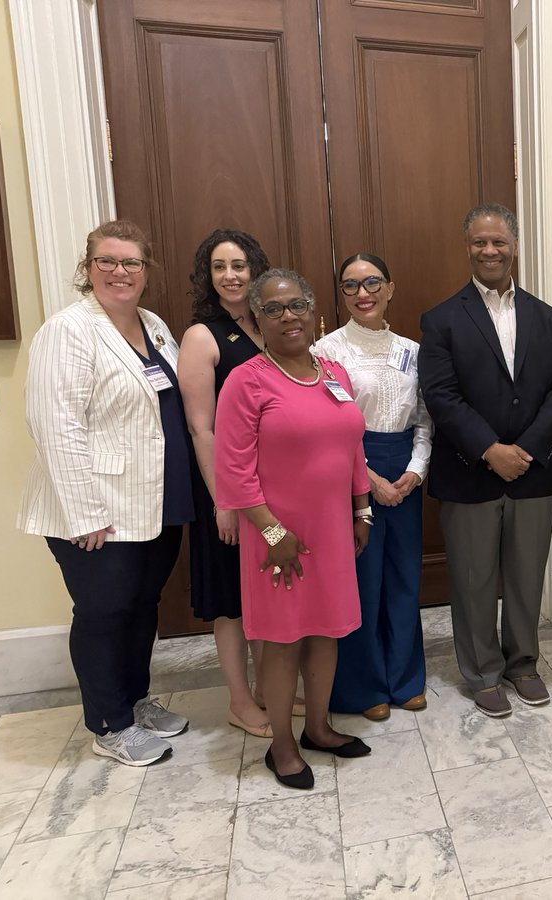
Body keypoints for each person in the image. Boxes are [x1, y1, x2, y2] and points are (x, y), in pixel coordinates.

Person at [19, 219, 193, 767]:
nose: (120, 272)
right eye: (107, 262)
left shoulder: (155, 325)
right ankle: (108, 723)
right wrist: (83, 513)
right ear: (87, 268)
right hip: (94, 510)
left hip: (154, 499)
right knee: (103, 610)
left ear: (146, 270)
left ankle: (134, 701)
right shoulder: (68, 331)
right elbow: (55, 425)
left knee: (142, 605)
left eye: (131, 263)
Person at [215, 268, 373, 789]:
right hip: (276, 537)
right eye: (274, 308)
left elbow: (353, 448)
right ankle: (281, 743)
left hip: (330, 529)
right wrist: (271, 531)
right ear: (258, 319)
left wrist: (361, 509)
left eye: (297, 304)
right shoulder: (247, 379)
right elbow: (232, 470)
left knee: (326, 631)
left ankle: (319, 728)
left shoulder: (334, 374)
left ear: (313, 311)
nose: (289, 316)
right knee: (283, 640)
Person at [419, 203, 552, 718]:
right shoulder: (441, 320)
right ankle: (483, 671)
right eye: (480, 242)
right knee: (472, 579)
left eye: (499, 242)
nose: (490, 250)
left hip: (532, 474)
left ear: (515, 247)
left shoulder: (551, 321)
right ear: (467, 247)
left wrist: (524, 450)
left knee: (526, 576)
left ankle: (523, 664)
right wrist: (490, 449)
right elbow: (441, 395)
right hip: (469, 472)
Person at [313, 252, 432, 722]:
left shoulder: (412, 350)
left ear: (390, 287)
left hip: (405, 472)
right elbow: (329, 427)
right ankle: (364, 686)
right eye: (350, 285)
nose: (363, 294)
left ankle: (406, 679)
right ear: (340, 293)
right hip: (352, 474)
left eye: (372, 282)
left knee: (405, 578)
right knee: (362, 582)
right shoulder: (326, 351)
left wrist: (417, 470)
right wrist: (370, 480)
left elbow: (424, 418)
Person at [176, 228, 274, 738]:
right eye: (219, 267)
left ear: (255, 270)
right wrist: (224, 502)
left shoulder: (268, 326)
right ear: (207, 276)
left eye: (239, 265)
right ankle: (239, 700)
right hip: (227, 492)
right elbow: (202, 426)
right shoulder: (202, 335)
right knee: (231, 600)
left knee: (262, 591)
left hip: (272, 490)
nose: (231, 275)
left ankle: (266, 691)